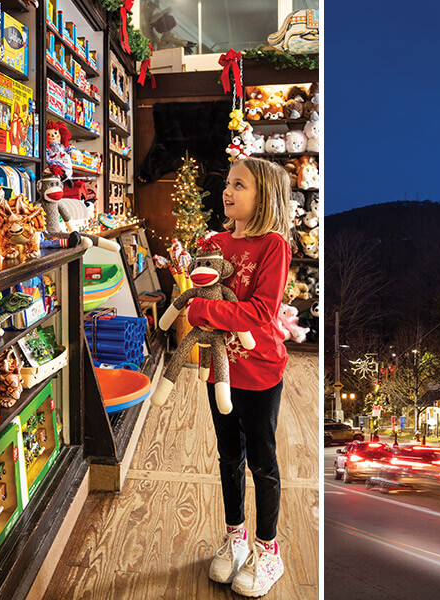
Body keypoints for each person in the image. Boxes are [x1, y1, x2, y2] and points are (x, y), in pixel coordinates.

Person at [187, 157, 292, 596]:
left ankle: (269, 551)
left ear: (263, 195)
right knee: (228, 456)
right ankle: (236, 539)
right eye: (228, 183)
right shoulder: (213, 241)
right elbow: (197, 287)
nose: (227, 191)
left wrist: (203, 310)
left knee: (262, 462)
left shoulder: (274, 246)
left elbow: (261, 312)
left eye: (240, 185)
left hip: (261, 369)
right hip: (220, 368)